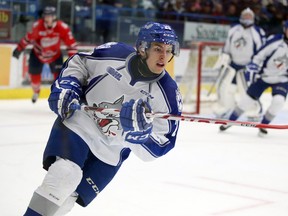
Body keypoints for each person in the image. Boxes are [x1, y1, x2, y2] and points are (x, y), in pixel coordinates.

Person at [23, 21, 183, 216]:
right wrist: (68, 84)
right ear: (142, 48)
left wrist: (141, 136)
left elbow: (161, 144)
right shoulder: (114, 54)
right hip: (80, 124)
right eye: (158, 48)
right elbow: (79, 63)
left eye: (169, 50)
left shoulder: (168, 93)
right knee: (65, 174)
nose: (164, 56)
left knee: (67, 199)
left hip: (111, 151)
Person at [219, 20, 288, 137]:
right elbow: (260, 54)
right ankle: (230, 121)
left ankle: (264, 125)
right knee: (246, 101)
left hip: (282, 79)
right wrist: (254, 65)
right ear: (285, 29)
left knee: (278, 101)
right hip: (264, 76)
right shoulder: (276, 41)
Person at [12, 6, 78, 103]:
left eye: (50, 16)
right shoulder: (37, 26)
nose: (47, 18)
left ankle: (58, 96)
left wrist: (73, 59)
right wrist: (19, 48)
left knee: (59, 78)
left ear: (54, 16)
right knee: (34, 76)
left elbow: (71, 45)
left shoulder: (62, 27)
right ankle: (36, 91)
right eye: (46, 16)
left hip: (55, 56)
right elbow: (28, 38)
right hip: (37, 54)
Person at [212, 8, 266, 119]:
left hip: (248, 68)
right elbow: (227, 46)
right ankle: (227, 109)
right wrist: (224, 55)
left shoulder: (258, 32)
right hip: (233, 66)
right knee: (226, 89)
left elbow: (262, 51)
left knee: (247, 91)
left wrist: (257, 65)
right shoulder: (234, 30)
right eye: (245, 16)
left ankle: (254, 111)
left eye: (249, 16)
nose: (247, 18)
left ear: (253, 18)